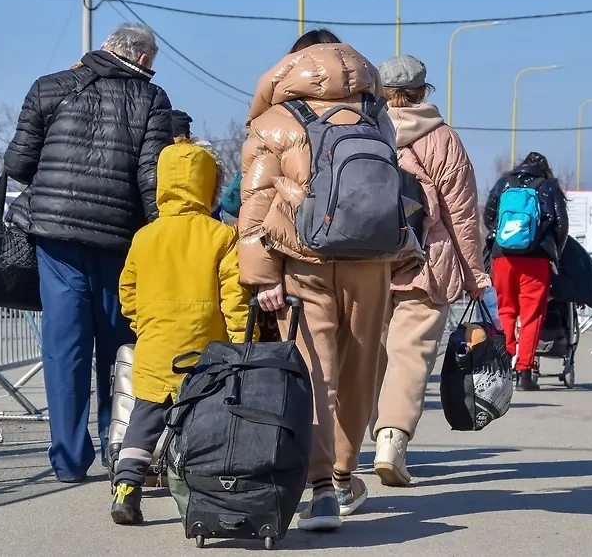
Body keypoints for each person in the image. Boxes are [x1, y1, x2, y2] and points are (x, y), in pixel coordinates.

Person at [238, 28, 422, 531]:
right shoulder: (377, 115)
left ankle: (319, 491)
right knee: (361, 369)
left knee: (314, 371)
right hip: (372, 260)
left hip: (304, 263)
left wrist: (261, 278)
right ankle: (344, 476)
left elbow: (255, 206)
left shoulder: (274, 122)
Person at [4, 23, 173, 482]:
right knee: (121, 346)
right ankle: (117, 447)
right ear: (142, 59)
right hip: (119, 241)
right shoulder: (152, 99)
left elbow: (18, 165)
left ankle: (68, 460)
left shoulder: (49, 87)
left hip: (56, 237)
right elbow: (151, 179)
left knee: (65, 348)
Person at [110, 138, 251, 524]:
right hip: (205, 352)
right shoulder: (221, 236)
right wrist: (241, 344)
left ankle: (126, 485)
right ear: (209, 186)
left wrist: (145, 326)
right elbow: (234, 299)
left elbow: (128, 292)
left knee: (144, 418)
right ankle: (204, 491)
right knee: (206, 420)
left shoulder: (145, 236)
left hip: (156, 346)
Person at [369, 55, 490, 487]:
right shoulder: (442, 140)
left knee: (368, 359)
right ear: (424, 91)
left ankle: (349, 451)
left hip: (366, 263)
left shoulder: (363, 130)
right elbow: (461, 215)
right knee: (411, 357)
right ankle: (391, 442)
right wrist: (475, 276)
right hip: (425, 261)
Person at [483, 152, 569, 391]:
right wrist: (553, 250)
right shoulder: (549, 186)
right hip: (535, 259)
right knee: (531, 316)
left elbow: (488, 216)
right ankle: (524, 372)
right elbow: (561, 225)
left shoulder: (504, 182)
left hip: (503, 257)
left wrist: (505, 237)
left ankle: (504, 366)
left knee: (505, 311)